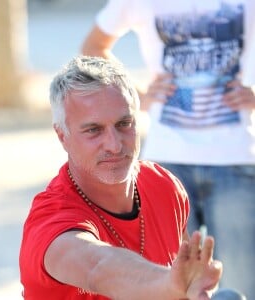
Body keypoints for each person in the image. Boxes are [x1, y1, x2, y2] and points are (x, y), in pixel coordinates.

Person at [81, 1, 255, 298]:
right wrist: (137, 97)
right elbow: (93, 48)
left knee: (241, 286)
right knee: (168, 285)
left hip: (235, 160)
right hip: (165, 165)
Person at [19, 55, 223, 299]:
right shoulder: (51, 218)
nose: (114, 145)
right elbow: (98, 267)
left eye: (124, 123)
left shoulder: (164, 185)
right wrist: (169, 284)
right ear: (62, 135)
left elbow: (182, 280)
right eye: (93, 130)